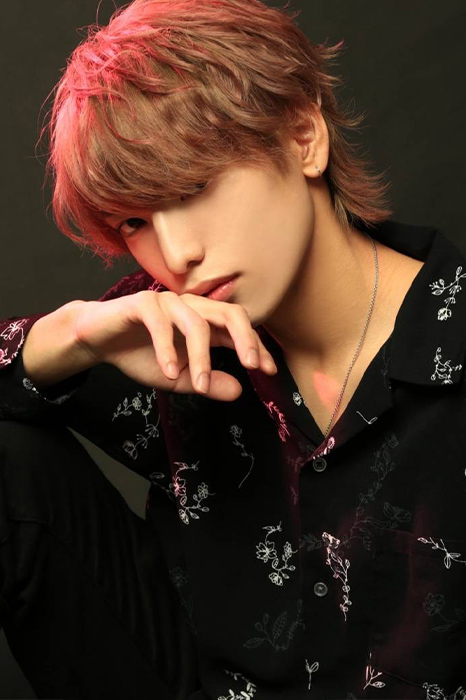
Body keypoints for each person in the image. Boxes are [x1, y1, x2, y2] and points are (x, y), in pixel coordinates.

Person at [1, 0, 466, 698]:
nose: (177, 253)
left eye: (194, 186)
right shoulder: (165, 328)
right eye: (134, 221)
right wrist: (65, 337)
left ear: (303, 136)